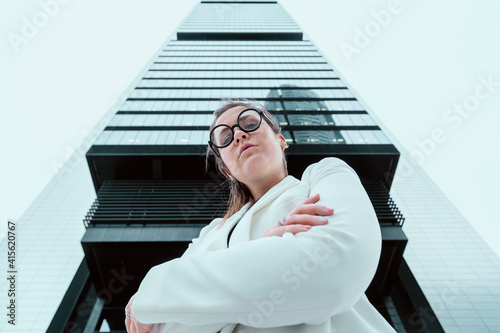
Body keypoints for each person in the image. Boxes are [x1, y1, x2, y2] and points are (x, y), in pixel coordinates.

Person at [125, 98, 397, 332]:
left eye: (249, 123)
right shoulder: (209, 235)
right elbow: (164, 328)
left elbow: (336, 266)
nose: (240, 135)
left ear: (281, 141)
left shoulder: (326, 173)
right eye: (226, 137)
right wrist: (272, 252)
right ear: (228, 170)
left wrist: (159, 291)